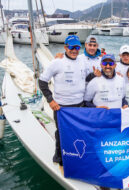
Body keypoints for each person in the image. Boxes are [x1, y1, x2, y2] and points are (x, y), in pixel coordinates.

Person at [39, 35, 89, 167]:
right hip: (62, 107)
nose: (75, 50)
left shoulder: (82, 61)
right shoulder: (57, 62)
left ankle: (75, 154)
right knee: (61, 132)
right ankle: (59, 157)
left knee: (78, 131)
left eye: (77, 47)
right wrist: (50, 100)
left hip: (79, 105)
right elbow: (42, 81)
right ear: (65, 47)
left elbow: (89, 74)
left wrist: (98, 75)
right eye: (71, 47)